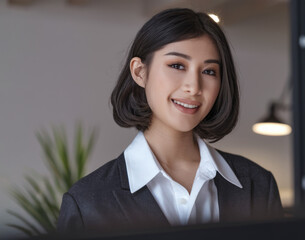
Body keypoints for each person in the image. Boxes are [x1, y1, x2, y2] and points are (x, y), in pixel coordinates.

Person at [57, 8, 283, 234]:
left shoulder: (258, 185)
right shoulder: (86, 203)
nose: (194, 87)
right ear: (139, 72)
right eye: (177, 66)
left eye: (209, 71)